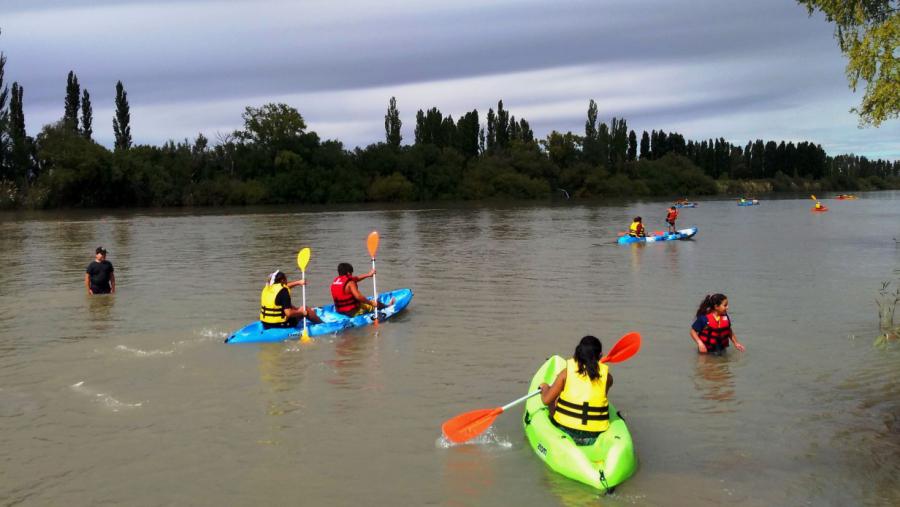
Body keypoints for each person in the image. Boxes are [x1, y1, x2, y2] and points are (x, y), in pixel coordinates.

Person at [539, 336, 613, 446]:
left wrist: (545, 388)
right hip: (594, 435)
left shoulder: (565, 373)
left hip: (566, 430)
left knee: (553, 399)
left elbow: (546, 400)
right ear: (600, 355)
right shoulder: (608, 377)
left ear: (578, 353)